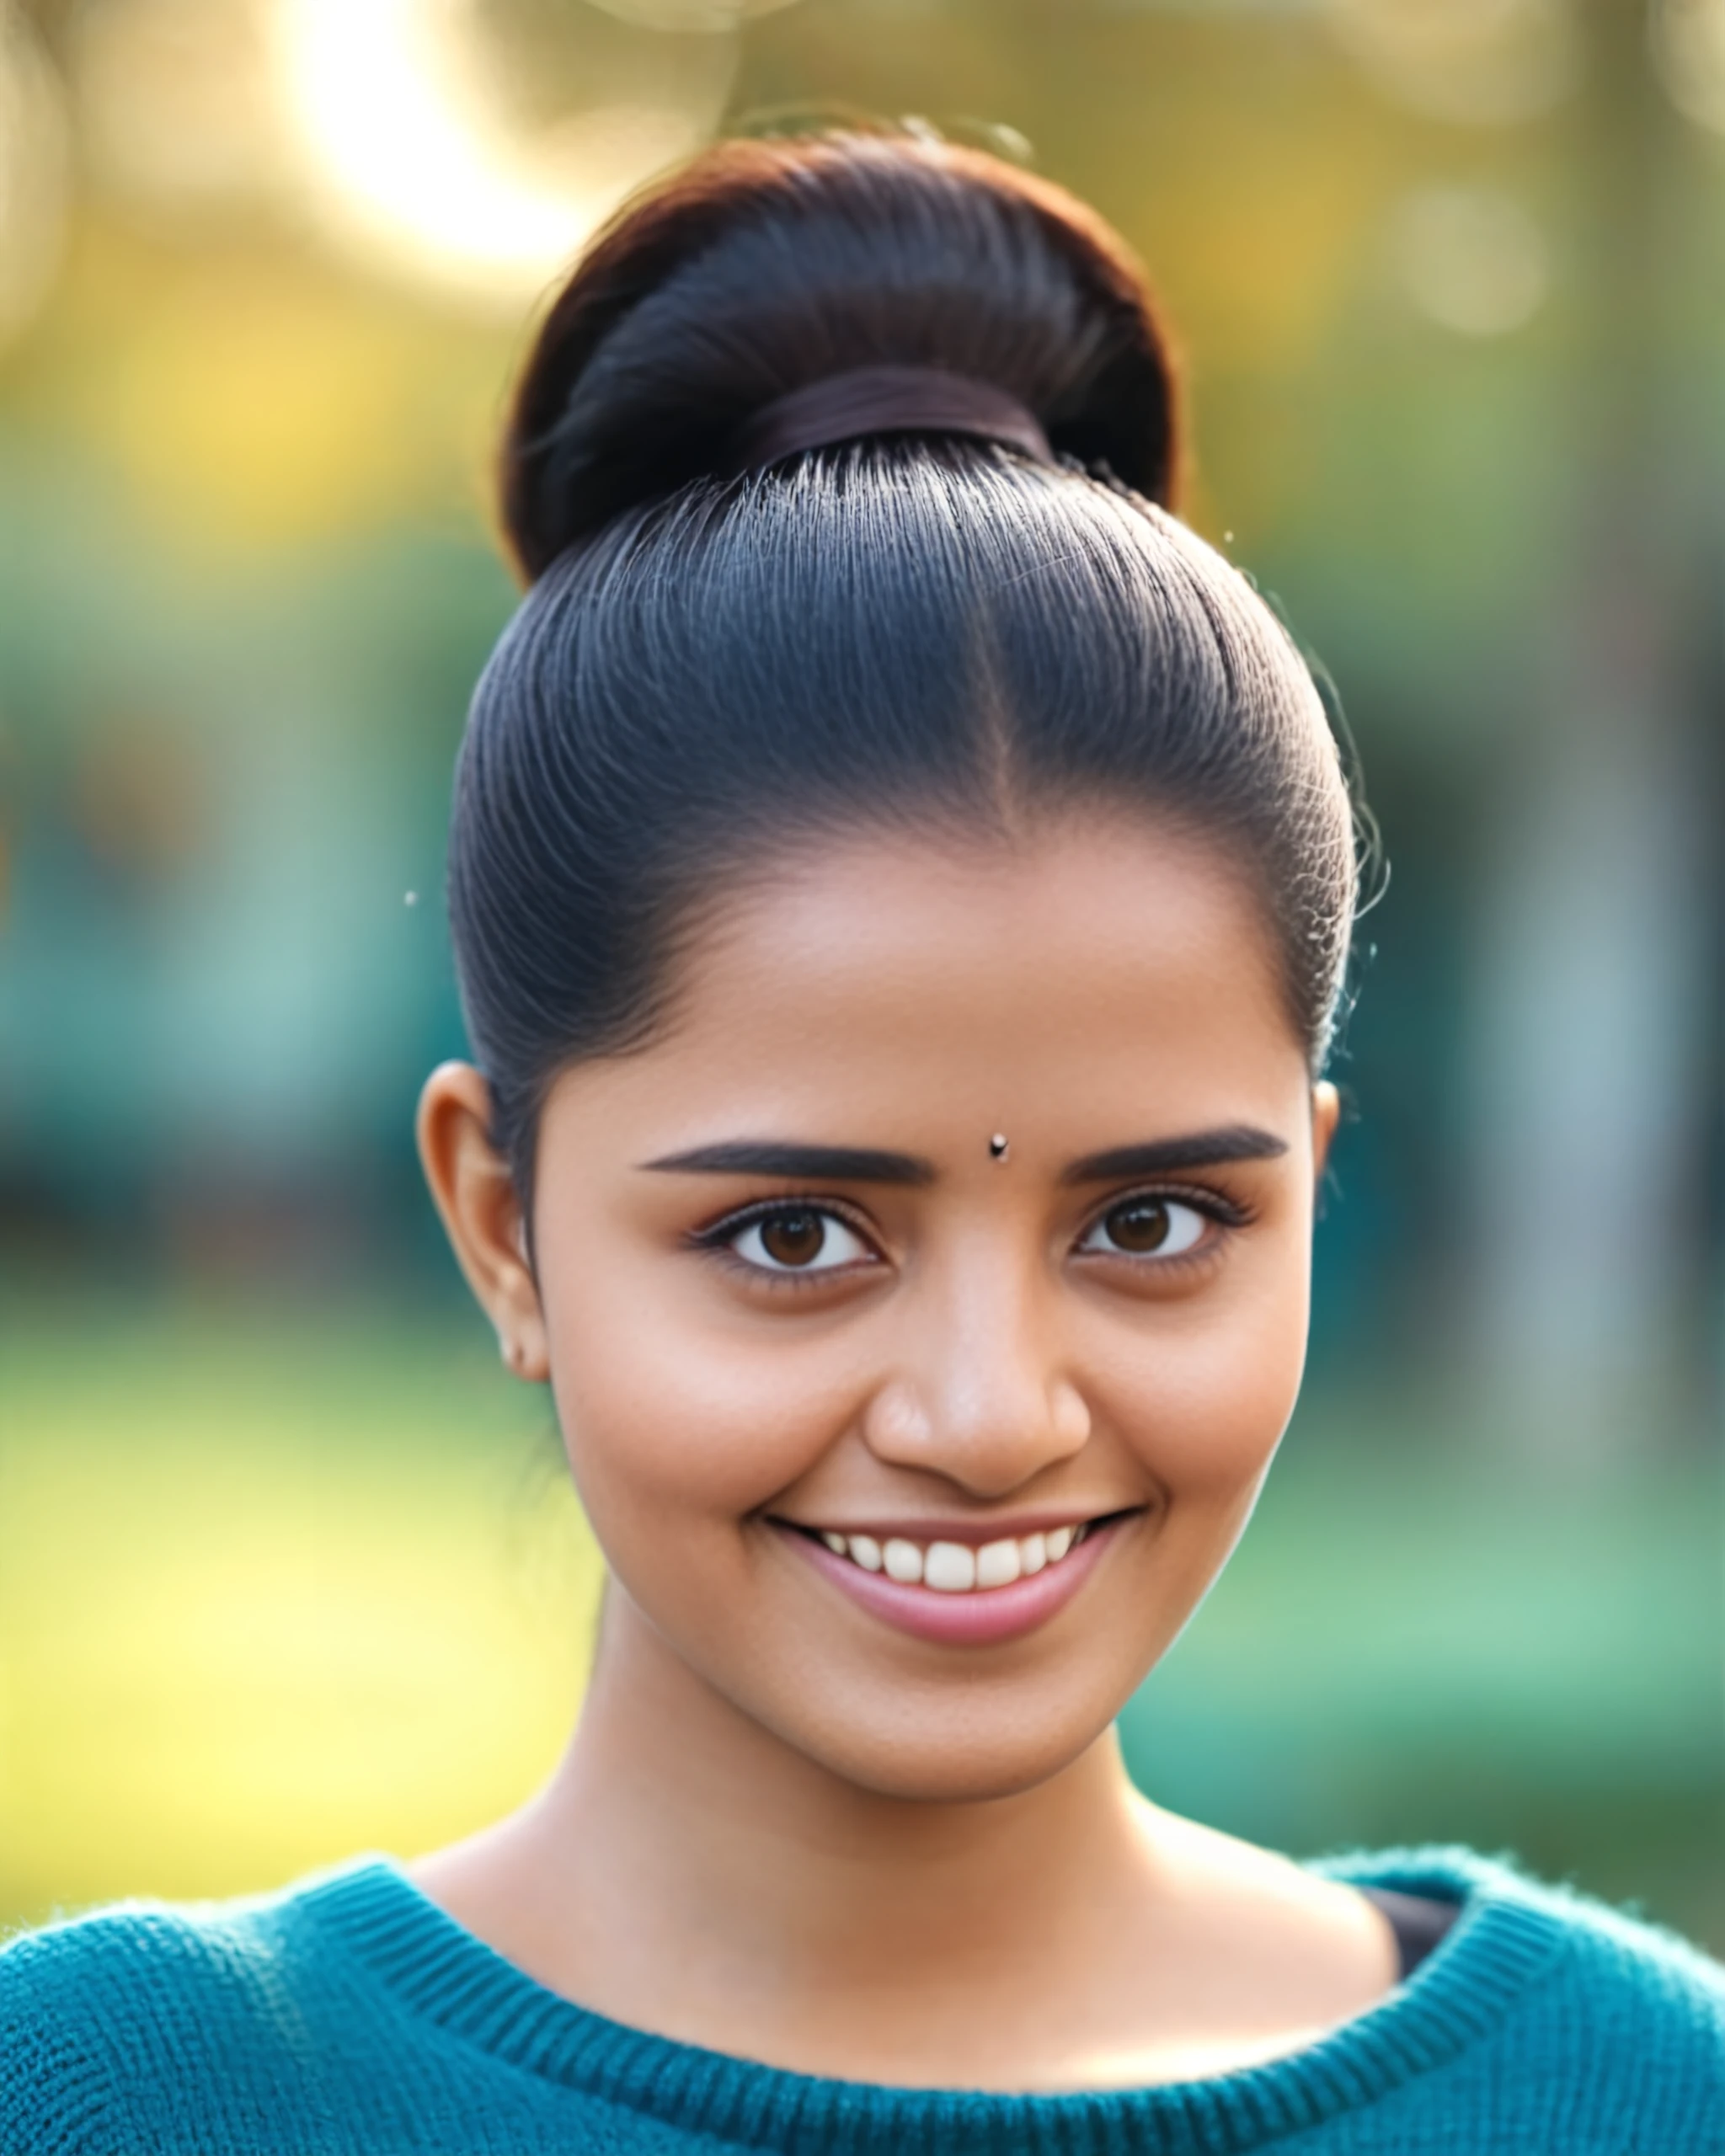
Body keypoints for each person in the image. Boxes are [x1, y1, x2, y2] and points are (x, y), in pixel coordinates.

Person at [3, 130, 1721, 2155]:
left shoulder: (1642, 2097)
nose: (991, 1414)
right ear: (501, 1224)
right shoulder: (124, 2100)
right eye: (797, 1234)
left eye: (1158, 1215)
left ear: (1310, 1185)